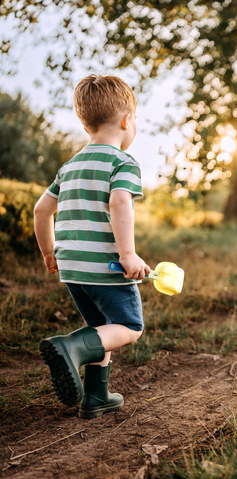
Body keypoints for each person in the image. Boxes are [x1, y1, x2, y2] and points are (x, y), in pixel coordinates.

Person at [33, 74, 150, 419]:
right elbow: (119, 203)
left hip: (71, 268)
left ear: (87, 126)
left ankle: (96, 397)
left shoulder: (69, 167)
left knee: (102, 328)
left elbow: (41, 210)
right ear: (127, 120)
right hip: (106, 266)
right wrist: (127, 254)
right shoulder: (122, 162)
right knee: (129, 328)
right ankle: (70, 347)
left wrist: (49, 253)